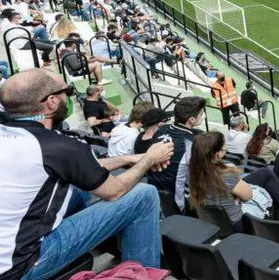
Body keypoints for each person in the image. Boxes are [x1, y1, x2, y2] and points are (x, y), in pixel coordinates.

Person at [0, 69, 174, 280]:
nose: (70, 96)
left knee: (79, 192)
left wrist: (128, 159)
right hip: (21, 267)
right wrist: (149, 159)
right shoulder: (61, 147)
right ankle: (141, 275)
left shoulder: (22, 139)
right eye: (67, 91)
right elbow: (115, 191)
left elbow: (76, 166)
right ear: (52, 102)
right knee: (144, 196)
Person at [188, 131, 279, 228]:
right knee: (264, 183)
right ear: (218, 153)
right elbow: (248, 195)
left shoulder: (194, 171)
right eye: (224, 144)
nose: (226, 146)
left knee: (264, 173)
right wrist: (234, 182)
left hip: (217, 214)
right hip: (236, 222)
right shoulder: (226, 176)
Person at [148, 95, 207, 210]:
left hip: (156, 194)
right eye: (201, 114)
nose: (203, 116)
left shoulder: (161, 130)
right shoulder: (193, 143)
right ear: (191, 120)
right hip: (177, 202)